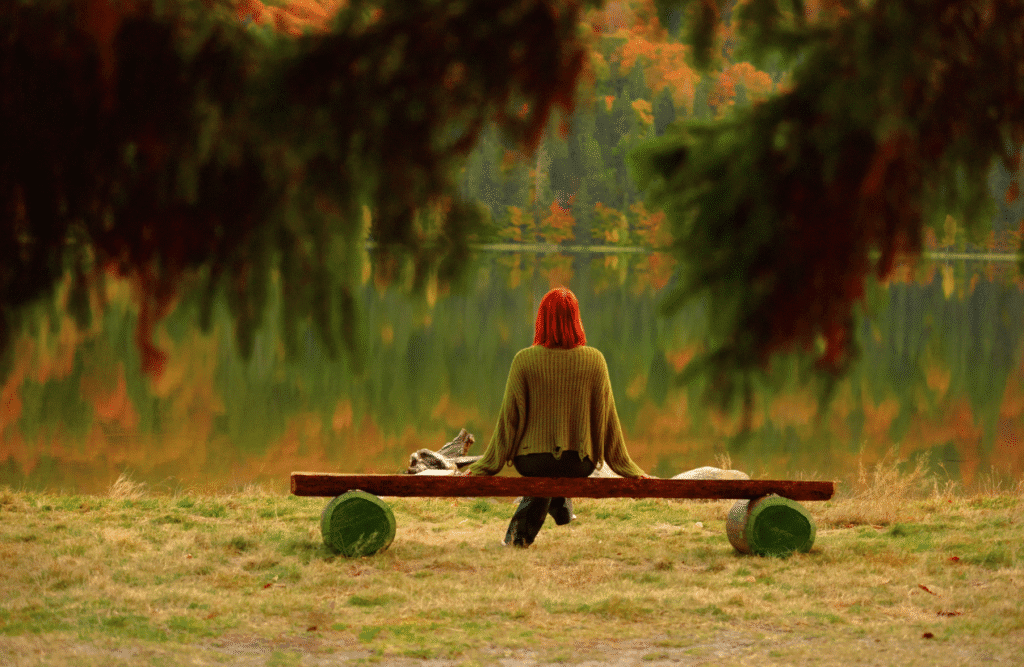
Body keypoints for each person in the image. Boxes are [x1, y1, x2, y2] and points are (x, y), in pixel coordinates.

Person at [463, 287, 649, 547]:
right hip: (578, 463)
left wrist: (486, 466)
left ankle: (520, 537)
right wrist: (629, 469)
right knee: (556, 472)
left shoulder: (524, 360)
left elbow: (508, 421)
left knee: (547, 474)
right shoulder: (595, 360)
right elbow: (608, 422)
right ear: (576, 318)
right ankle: (560, 508)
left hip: (531, 461)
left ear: (541, 319)